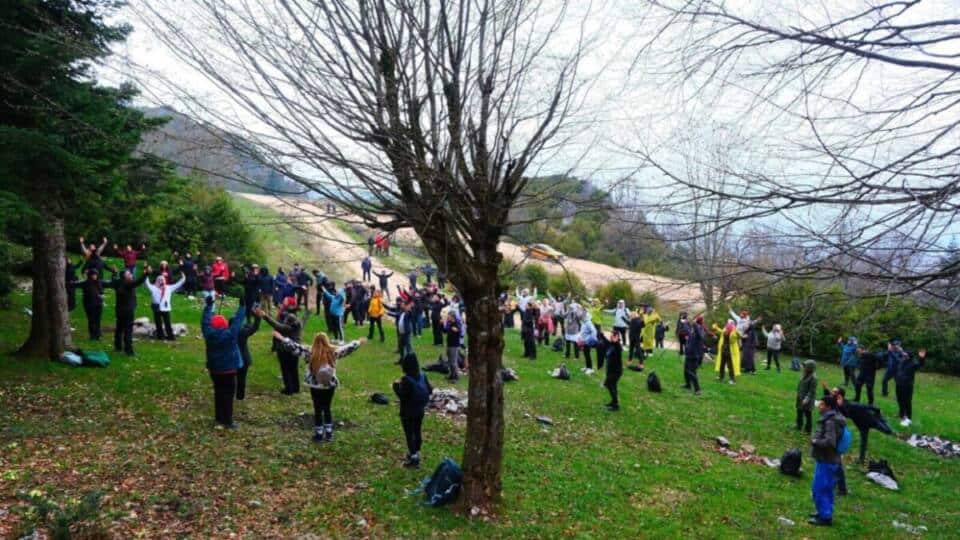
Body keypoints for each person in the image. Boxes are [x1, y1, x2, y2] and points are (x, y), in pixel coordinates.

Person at [274, 331, 364, 442]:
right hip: (329, 385)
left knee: (317, 409)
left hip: (315, 385)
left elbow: (294, 347)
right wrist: (358, 342)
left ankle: (319, 434)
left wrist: (282, 338)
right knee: (327, 408)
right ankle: (329, 433)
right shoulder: (333, 352)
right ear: (327, 341)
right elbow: (347, 348)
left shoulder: (309, 352)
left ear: (315, 341)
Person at [201, 295, 246, 429]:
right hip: (228, 370)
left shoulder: (208, 334)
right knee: (228, 395)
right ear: (225, 325)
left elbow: (205, 321)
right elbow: (237, 322)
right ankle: (227, 421)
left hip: (214, 370)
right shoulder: (230, 334)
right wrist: (242, 307)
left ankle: (219, 417)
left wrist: (208, 306)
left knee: (218, 392)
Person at [809, 395, 846, 527]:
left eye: (822, 404)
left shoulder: (830, 421)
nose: (819, 406)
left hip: (827, 460)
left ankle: (825, 518)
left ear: (828, 407)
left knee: (820, 489)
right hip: (828, 460)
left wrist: (815, 441)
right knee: (827, 489)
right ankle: (823, 512)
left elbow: (830, 442)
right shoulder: (833, 418)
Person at [258, 301, 308, 395]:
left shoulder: (286, 328)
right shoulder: (298, 325)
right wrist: (307, 311)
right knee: (294, 369)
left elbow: (275, 324)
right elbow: (304, 318)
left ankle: (288, 389)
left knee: (286, 370)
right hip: (295, 350)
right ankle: (296, 387)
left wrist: (265, 316)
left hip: (285, 351)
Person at [393, 353, 433, 467]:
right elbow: (430, 390)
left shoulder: (406, 380)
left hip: (407, 412)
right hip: (420, 409)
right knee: (417, 430)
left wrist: (395, 387)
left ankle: (414, 457)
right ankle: (417, 451)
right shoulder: (423, 375)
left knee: (409, 434)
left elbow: (403, 397)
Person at [104, 265, 148, 356]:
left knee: (119, 329)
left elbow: (113, 279)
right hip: (128, 311)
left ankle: (118, 347)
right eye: (129, 274)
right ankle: (129, 351)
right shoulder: (128, 284)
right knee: (128, 330)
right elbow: (138, 282)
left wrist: (114, 273)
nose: (131, 275)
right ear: (125, 277)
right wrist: (146, 274)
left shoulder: (118, 283)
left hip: (119, 310)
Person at [145, 272, 187, 341]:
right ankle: (160, 336)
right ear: (156, 281)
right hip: (157, 308)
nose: (161, 281)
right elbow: (147, 283)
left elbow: (179, 284)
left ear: (164, 281)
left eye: (162, 280)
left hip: (166, 309)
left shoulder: (169, 288)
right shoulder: (153, 288)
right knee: (158, 323)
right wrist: (146, 274)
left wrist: (183, 277)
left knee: (167, 323)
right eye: (159, 280)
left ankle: (171, 336)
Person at [70, 269, 106, 340]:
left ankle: (98, 334)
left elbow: (102, 291)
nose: (95, 276)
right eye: (93, 275)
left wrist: (101, 296)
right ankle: (93, 335)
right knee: (91, 320)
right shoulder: (85, 283)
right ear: (90, 275)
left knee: (98, 319)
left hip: (98, 303)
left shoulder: (99, 282)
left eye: (96, 275)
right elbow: (74, 285)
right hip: (89, 304)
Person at [895, 348, 926, 426]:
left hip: (907, 386)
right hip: (899, 385)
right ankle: (902, 415)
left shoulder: (913, 363)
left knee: (907, 402)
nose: (904, 356)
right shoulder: (902, 361)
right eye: (904, 355)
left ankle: (908, 419)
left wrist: (921, 358)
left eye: (906, 355)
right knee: (900, 400)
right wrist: (900, 350)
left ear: (909, 356)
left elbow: (920, 365)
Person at [236, 309, 262, 401]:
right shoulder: (241, 333)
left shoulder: (226, 334)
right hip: (244, 359)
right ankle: (240, 396)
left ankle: (232, 394)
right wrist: (257, 317)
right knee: (242, 378)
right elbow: (254, 327)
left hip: (232, 360)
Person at [682, 314, 706, 395]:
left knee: (692, 372)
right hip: (689, 353)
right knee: (686, 370)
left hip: (694, 355)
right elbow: (687, 330)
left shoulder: (701, 329)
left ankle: (697, 390)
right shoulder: (692, 330)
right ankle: (688, 385)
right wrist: (685, 323)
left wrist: (695, 325)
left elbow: (701, 336)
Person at [796, 360, 818, 434]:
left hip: (807, 400)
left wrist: (806, 399)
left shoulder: (813, 378)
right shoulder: (804, 375)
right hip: (800, 397)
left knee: (807, 414)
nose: (803, 368)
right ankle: (799, 425)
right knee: (799, 411)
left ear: (810, 368)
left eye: (805, 367)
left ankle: (808, 429)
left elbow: (812, 391)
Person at [604, 331, 624, 411]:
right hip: (610, 370)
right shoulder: (611, 344)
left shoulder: (618, 346)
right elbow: (606, 342)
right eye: (611, 336)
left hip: (616, 371)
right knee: (612, 385)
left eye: (613, 336)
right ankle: (614, 402)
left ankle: (616, 404)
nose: (611, 337)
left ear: (617, 337)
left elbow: (618, 349)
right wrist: (602, 335)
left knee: (608, 384)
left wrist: (616, 341)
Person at [444, 311, 462, 381]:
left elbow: (460, 332)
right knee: (450, 360)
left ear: (452, 317)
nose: (448, 317)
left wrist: (457, 330)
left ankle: (456, 377)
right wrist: (442, 324)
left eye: (449, 316)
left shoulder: (457, 322)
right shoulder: (449, 322)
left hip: (454, 344)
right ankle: (451, 375)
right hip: (449, 343)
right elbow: (445, 330)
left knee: (453, 362)